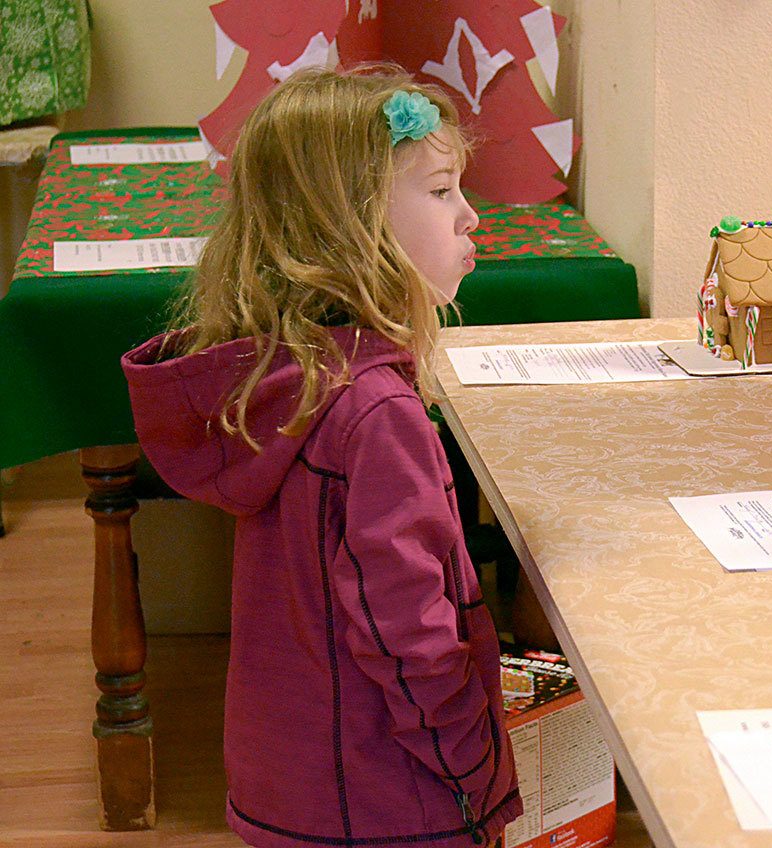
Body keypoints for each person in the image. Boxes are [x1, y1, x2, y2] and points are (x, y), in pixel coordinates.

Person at [122, 67, 519, 848]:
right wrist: (473, 767)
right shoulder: (375, 414)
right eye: (440, 192)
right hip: (392, 801)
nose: (470, 215)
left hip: (293, 785)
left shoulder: (285, 384)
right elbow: (409, 632)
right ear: (351, 221)